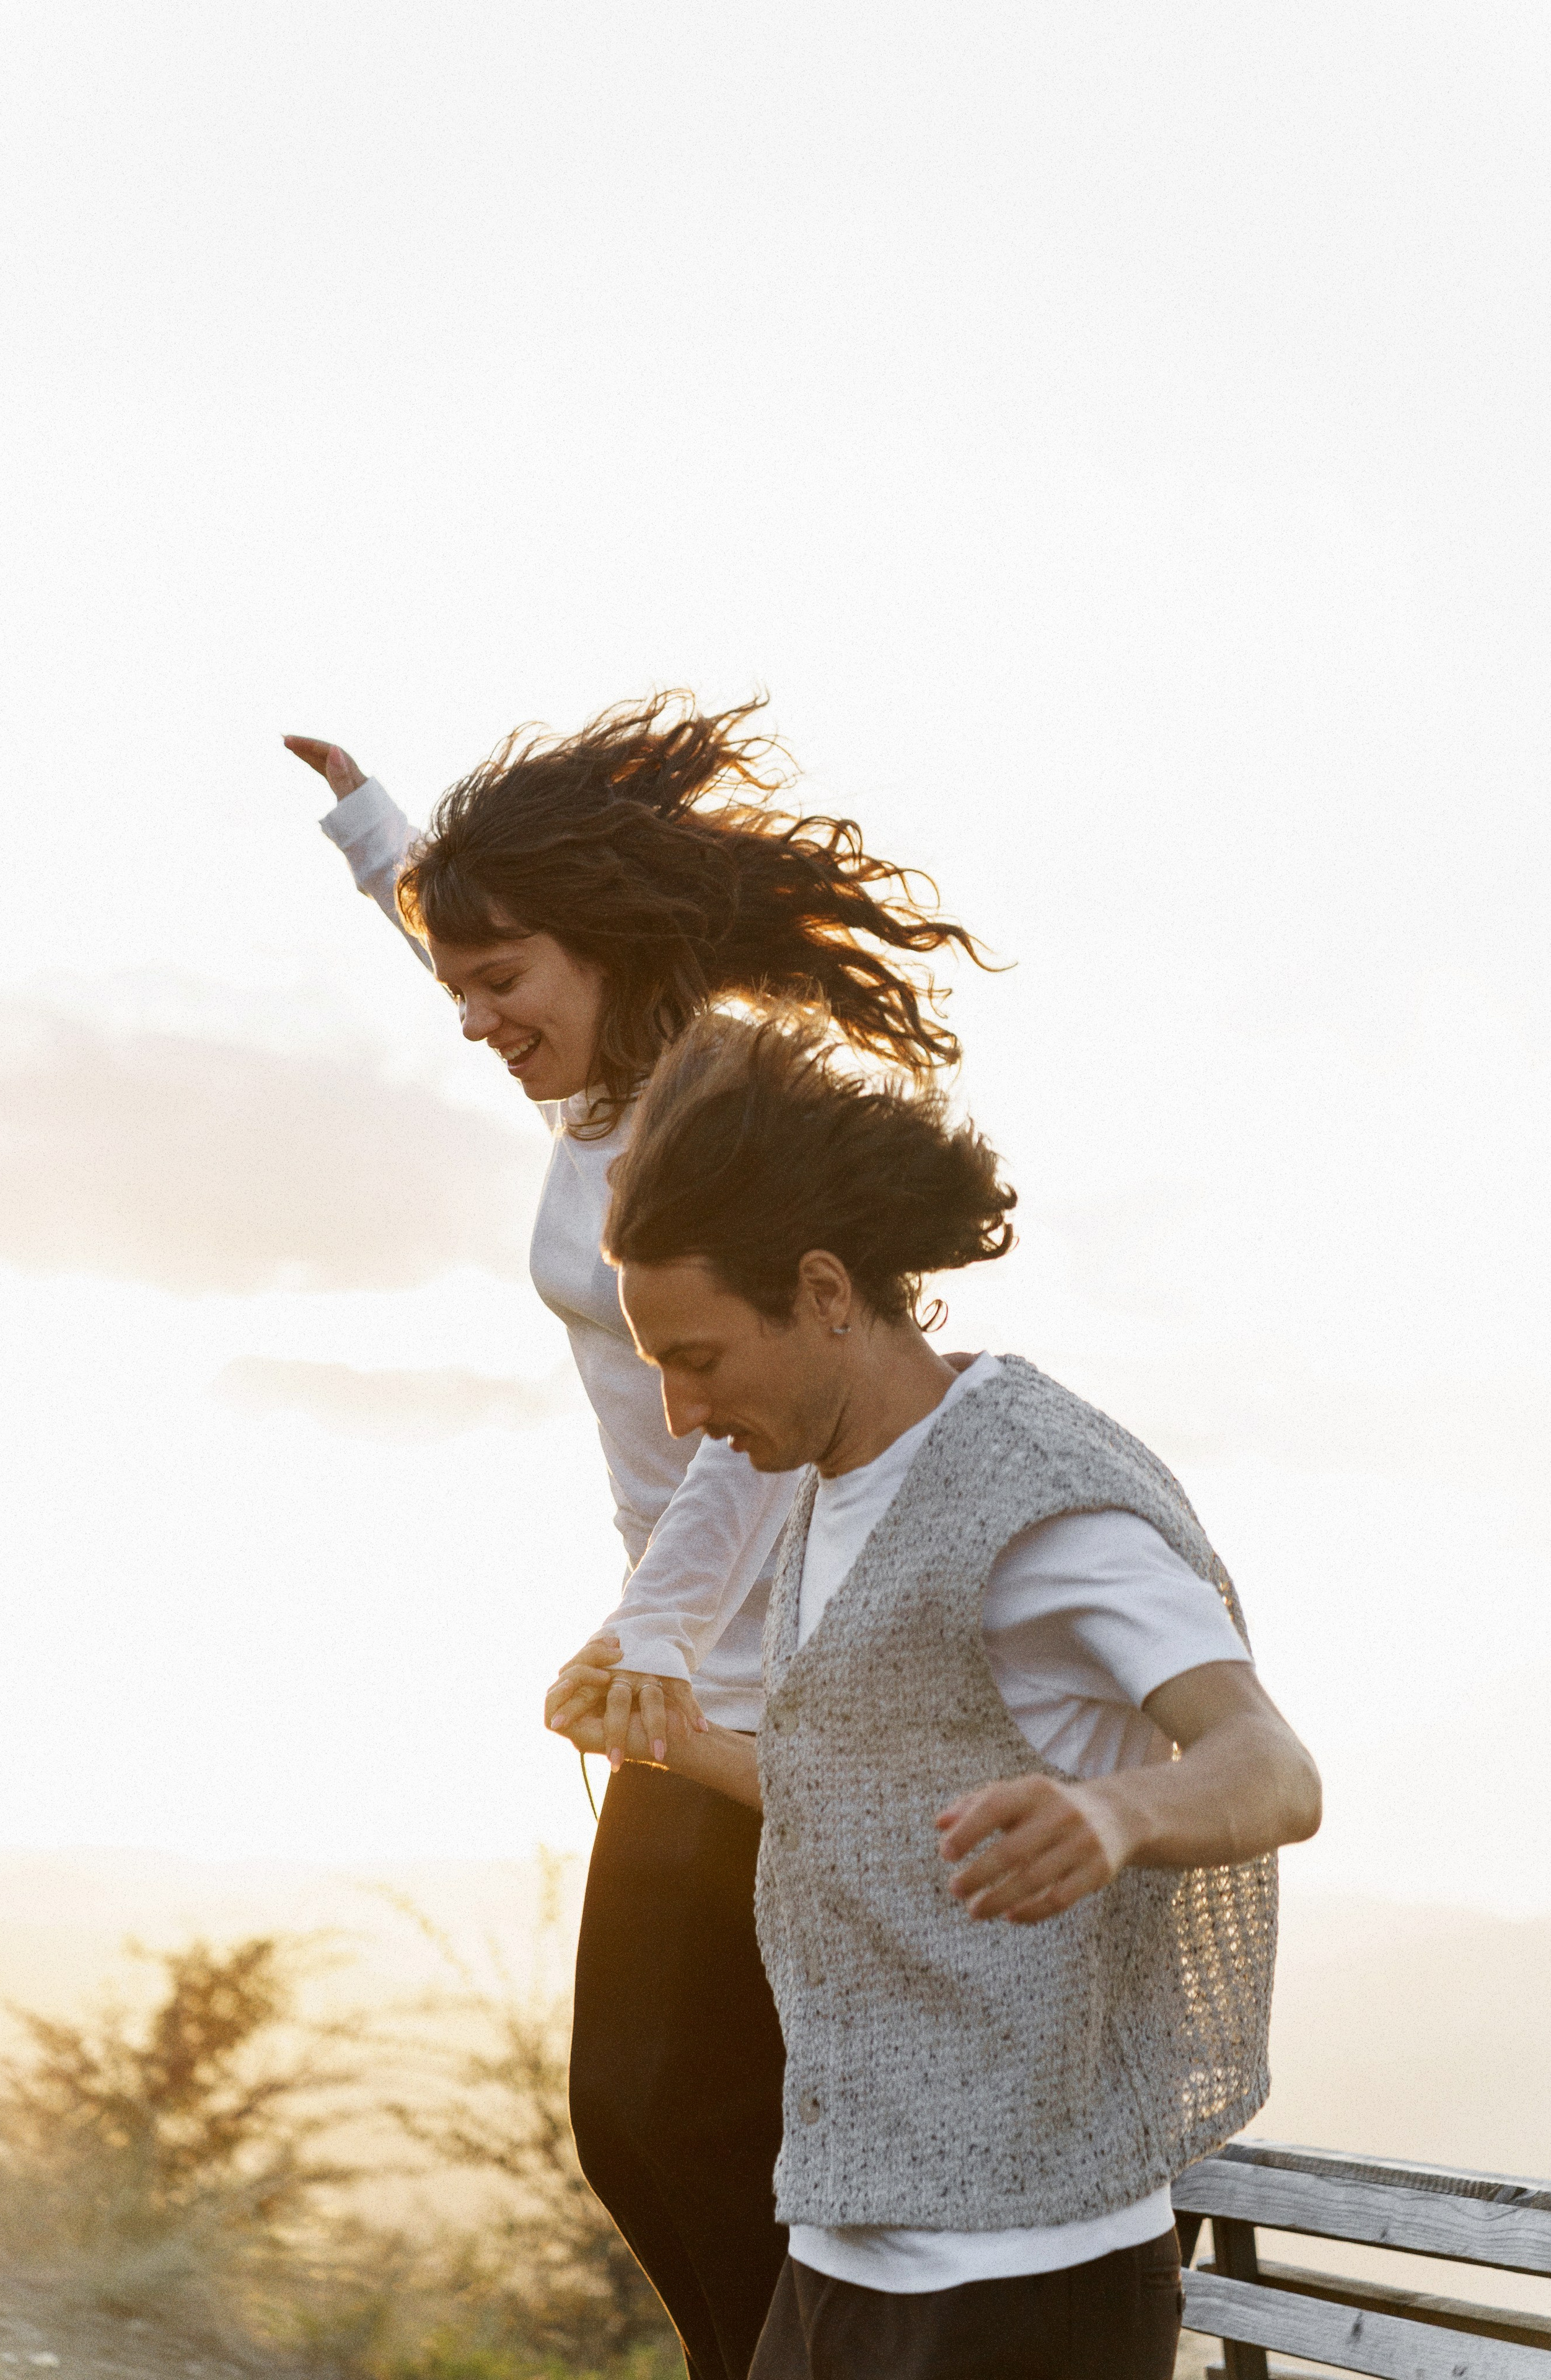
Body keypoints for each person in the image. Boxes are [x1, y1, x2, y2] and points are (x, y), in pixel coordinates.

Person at [284, 699, 986, 2380]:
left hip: (774, 1682)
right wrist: (379, 835)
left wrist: (649, 1638)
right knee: (642, 2125)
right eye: (456, 984)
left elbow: (752, 1448)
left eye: (499, 982)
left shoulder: (713, 1111)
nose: (473, 1019)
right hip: (681, 1678)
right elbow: (475, 944)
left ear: (598, 949)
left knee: (694, 2117)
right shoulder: (600, 1091)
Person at [552, 1005, 1321, 2380]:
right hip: (844, 2235)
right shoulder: (830, 1481)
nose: (676, 1414)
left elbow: (1270, 1767)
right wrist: (671, 1742)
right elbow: (860, 1797)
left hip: (1027, 2277)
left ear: (826, 1292)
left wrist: (1116, 1818)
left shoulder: (1040, 1505)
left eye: (698, 1359)